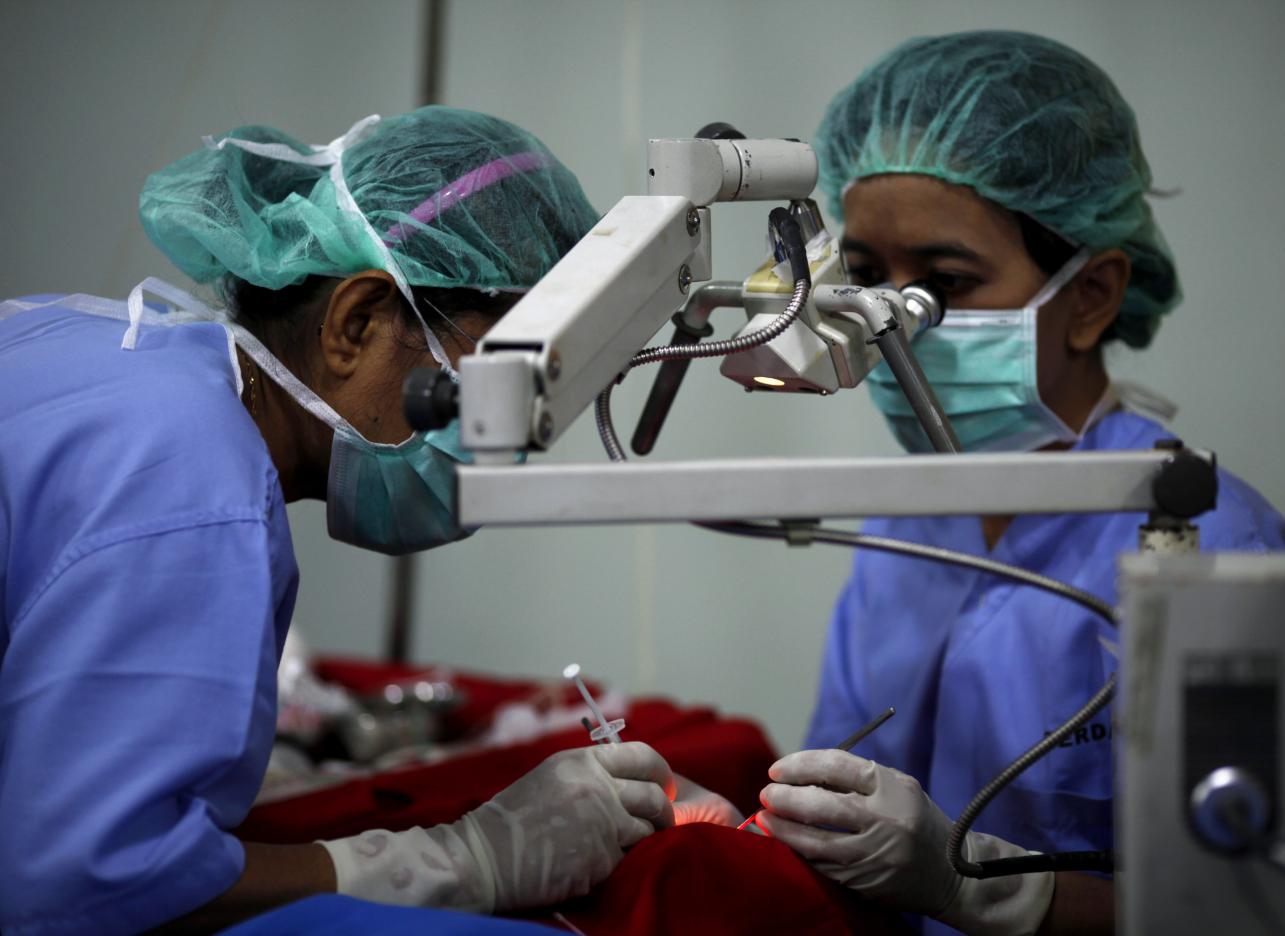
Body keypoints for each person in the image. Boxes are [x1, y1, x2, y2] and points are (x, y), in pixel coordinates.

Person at [0, 106, 734, 936]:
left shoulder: (110, 348)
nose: (502, 441)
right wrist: (460, 862)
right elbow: (80, 891)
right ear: (357, 323)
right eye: (492, 380)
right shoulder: (197, 489)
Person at [752, 31, 1285, 936]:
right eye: (864, 278)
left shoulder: (1216, 553)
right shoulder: (904, 530)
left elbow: (1254, 910)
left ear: (1091, 298)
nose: (890, 321)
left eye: (944, 284)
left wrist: (985, 893)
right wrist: (741, 828)